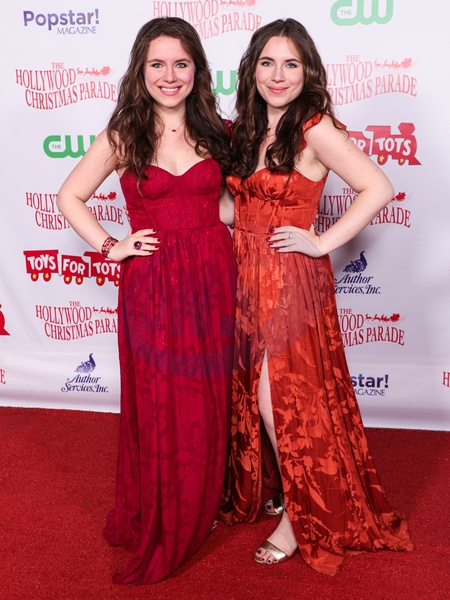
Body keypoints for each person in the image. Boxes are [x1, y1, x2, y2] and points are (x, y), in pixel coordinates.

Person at [219, 18, 414, 575]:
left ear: (308, 72)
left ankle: (298, 518)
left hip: (290, 279)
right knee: (257, 395)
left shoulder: (315, 128)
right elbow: (235, 208)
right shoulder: (247, 129)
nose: (278, 75)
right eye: (267, 63)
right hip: (244, 274)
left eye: (291, 64)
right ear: (252, 70)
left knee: (280, 399)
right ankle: (285, 490)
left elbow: (378, 186)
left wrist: (322, 240)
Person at [57, 17, 236, 584]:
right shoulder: (124, 134)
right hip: (151, 282)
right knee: (159, 397)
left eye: (181, 64)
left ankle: (201, 498)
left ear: (197, 71)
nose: (169, 75)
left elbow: (234, 204)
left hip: (212, 277)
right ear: (140, 70)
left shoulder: (219, 132)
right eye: (157, 64)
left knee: (206, 395)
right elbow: (70, 195)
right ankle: (162, 509)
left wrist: (224, 226)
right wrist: (112, 246)